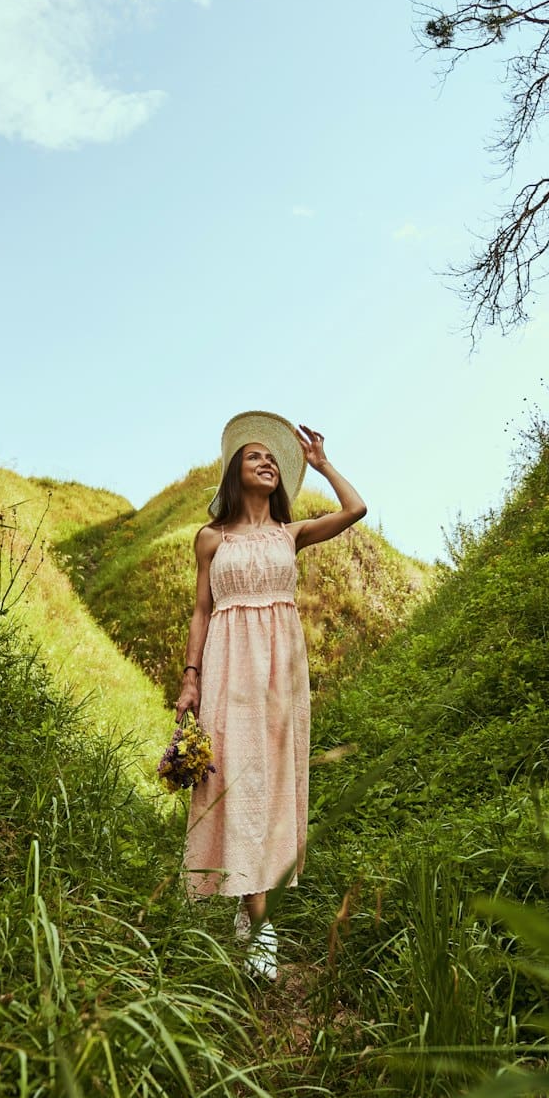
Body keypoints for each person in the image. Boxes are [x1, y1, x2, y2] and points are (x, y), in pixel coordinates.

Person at [174, 411, 366, 981]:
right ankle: (257, 920)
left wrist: (322, 463)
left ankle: (254, 908)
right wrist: (190, 677)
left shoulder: (291, 534)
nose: (267, 462)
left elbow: (356, 510)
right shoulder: (211, 538)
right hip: (227, 665)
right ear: (235, 470)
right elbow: (202, 609)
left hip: (281, 671)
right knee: (236, 780)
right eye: (255, 455)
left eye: (273, 459)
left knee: (270, 782)